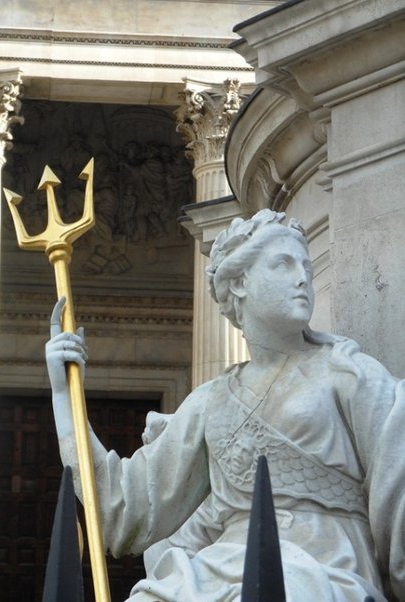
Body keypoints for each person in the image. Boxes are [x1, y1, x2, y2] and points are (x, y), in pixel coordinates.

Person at [46, 209, 405, 602]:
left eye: (305, 266)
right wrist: (65, 396)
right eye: (283, 265)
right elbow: (129, 508)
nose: (303, 278)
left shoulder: (348, 373)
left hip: (324, 565)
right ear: (239, 284)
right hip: (223, 565)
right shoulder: (210, 401)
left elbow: (396, 487)